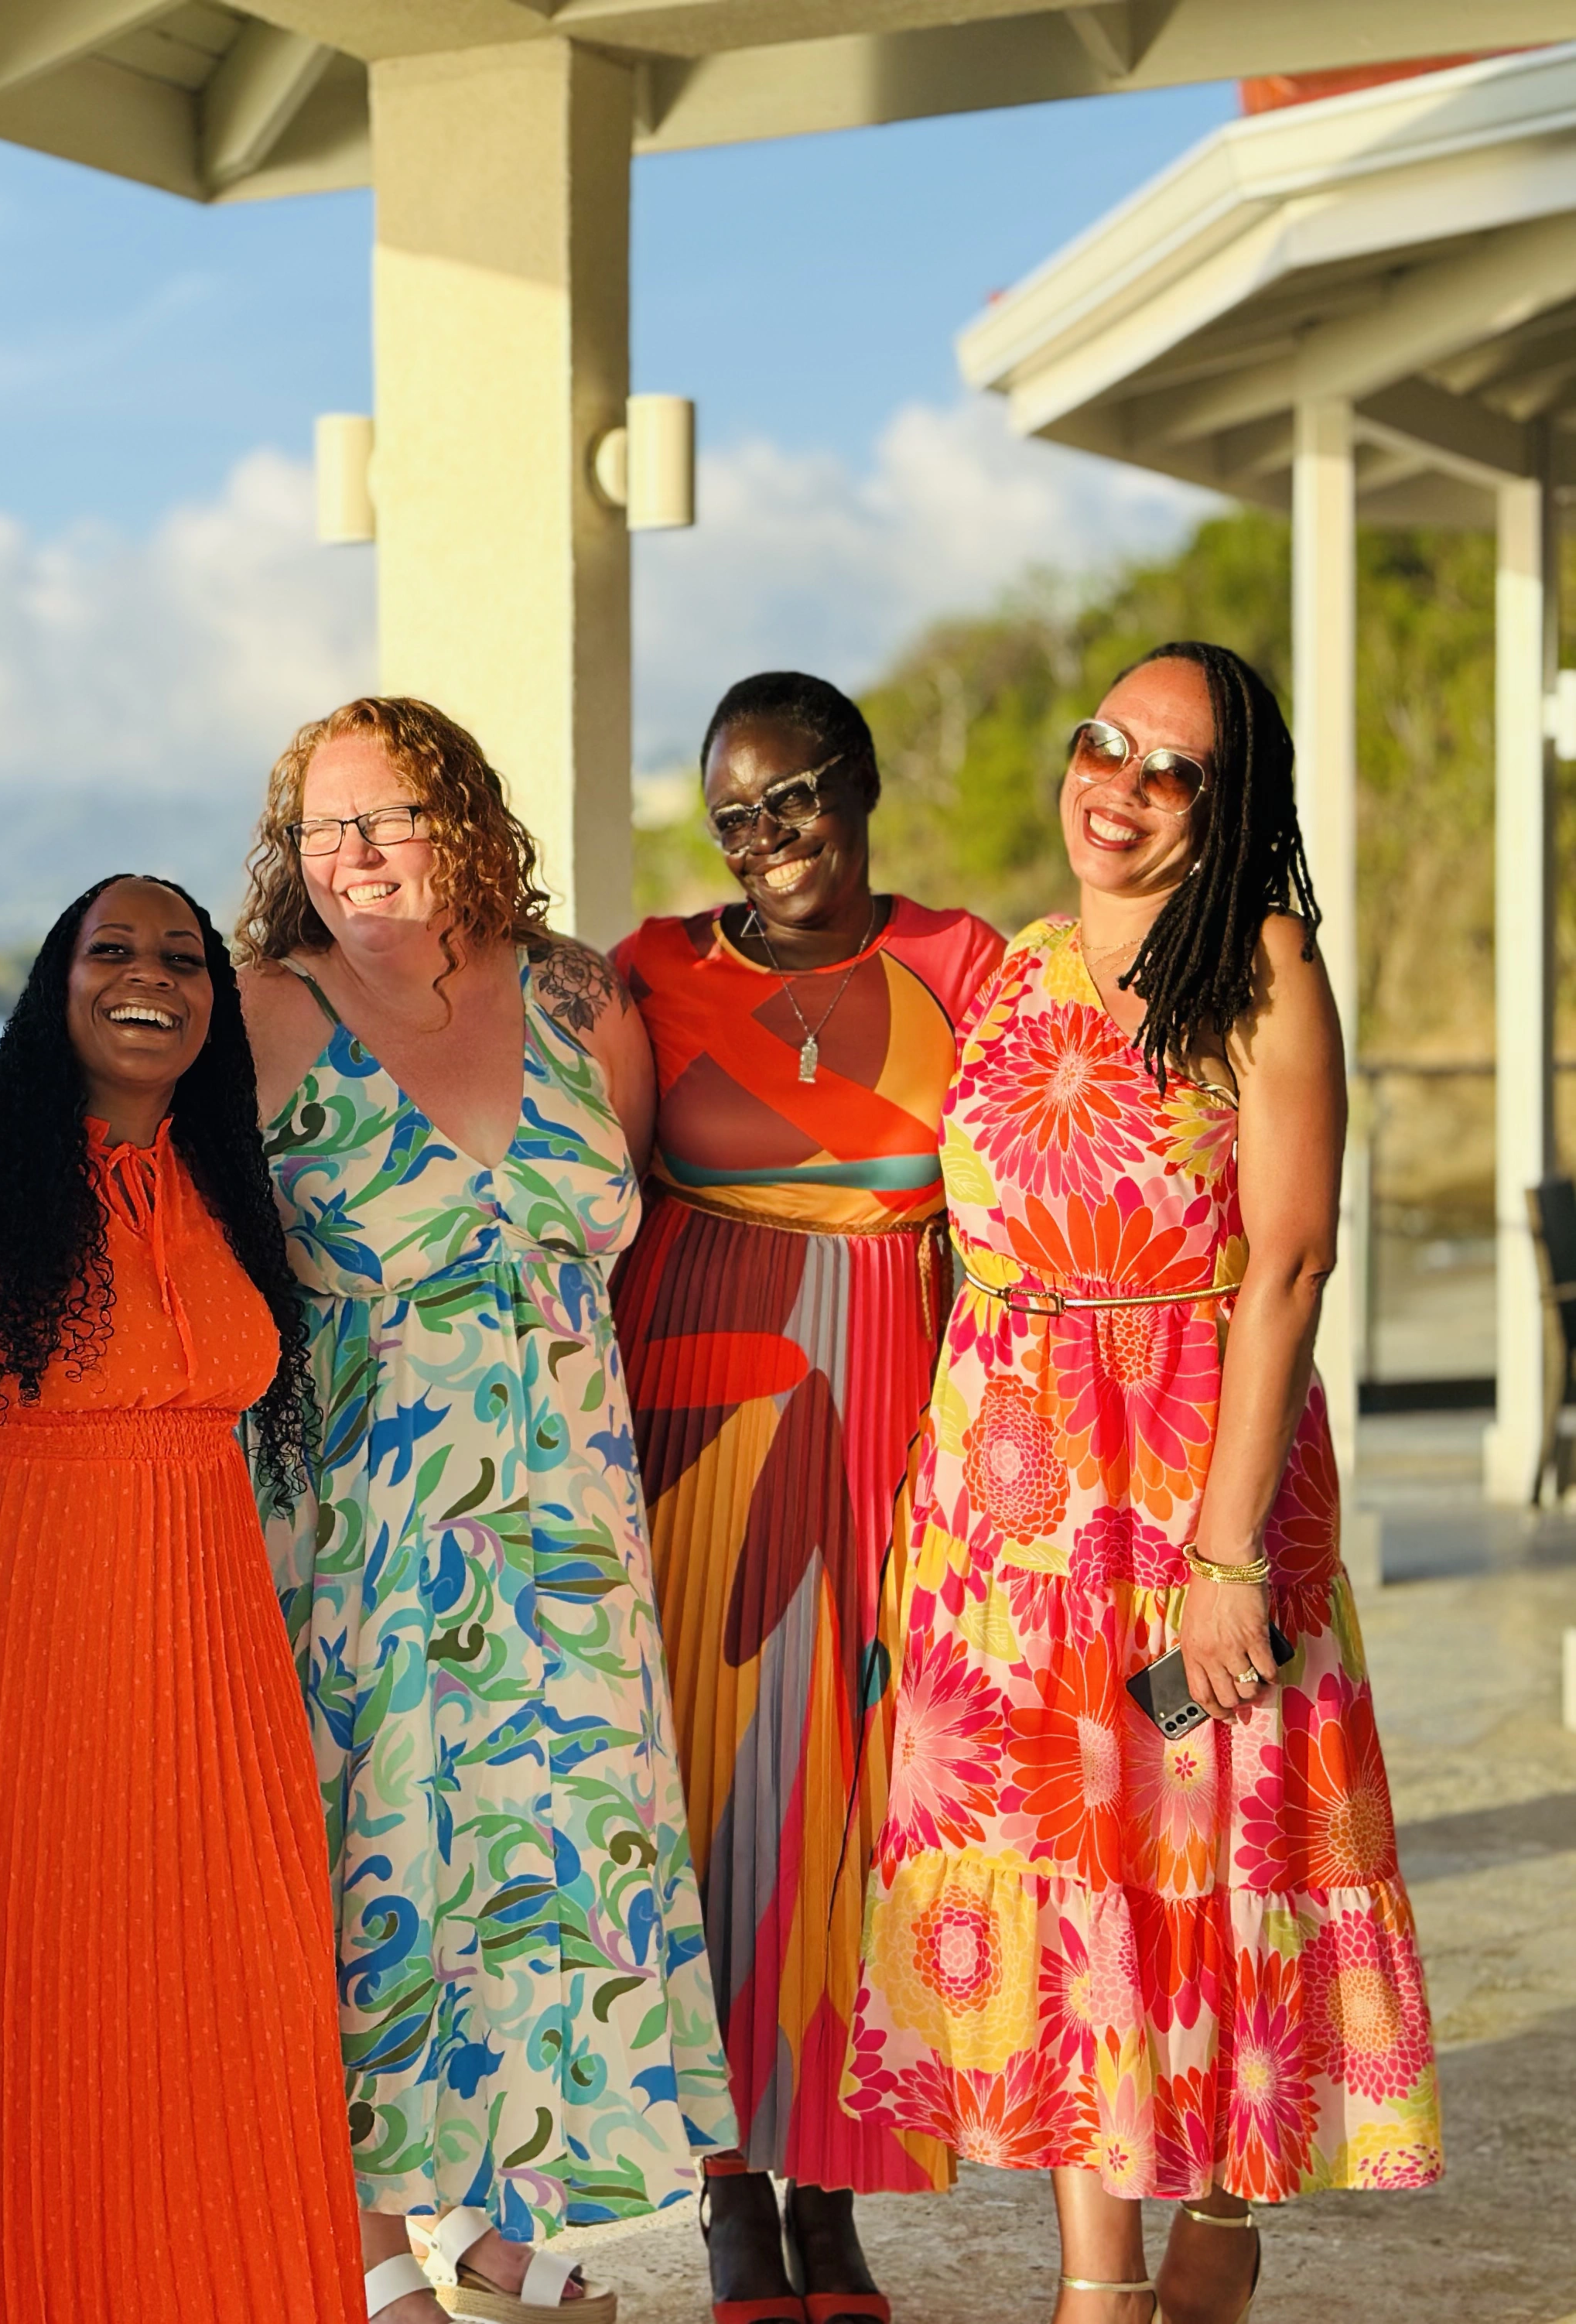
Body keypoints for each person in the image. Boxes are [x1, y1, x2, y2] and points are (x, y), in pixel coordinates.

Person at [845, 643, 1441, 2323]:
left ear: (1225, 803)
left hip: (1196, 1475)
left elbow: (1294, 1262)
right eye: (1103, 742)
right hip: (1009, 1496)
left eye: (1168, 768)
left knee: (1208, 1855)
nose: (1116, 783)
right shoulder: (1018, 966)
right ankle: (1094, 2287)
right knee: (1053, 1869)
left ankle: (1227, 2206)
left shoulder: (1260, 968)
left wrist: (1230, 1551)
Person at [237, 697, 732, 2324]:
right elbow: (100, 1167)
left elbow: (631, 1222)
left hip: (572, 1520)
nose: (354, 853)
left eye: (386, 816)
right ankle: (380, 2243)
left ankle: (521, 2236)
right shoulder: (262, 1006)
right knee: (378, 1853)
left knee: (567, 1856)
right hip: (367, 1529)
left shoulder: (577, 990)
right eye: (323, 828)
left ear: (462, 818)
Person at [0, 874, 366, 2324]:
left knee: (221, 1995)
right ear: (51, 982)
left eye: (184, 958)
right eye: (113, 950)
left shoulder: (223, 1173)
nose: (153, 978)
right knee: (17, 1996)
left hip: (202, 1639)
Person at [609, 673, 1001, 2323]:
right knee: (713, 1799)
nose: (767, 840)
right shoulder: (651, 969)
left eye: (794, 798)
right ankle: (723, 2196)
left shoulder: (962, 961)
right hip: (702, 1412)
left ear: (862, 787)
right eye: (736, 815)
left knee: (853, 1797)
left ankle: (830, 2198)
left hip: (894, 1416)